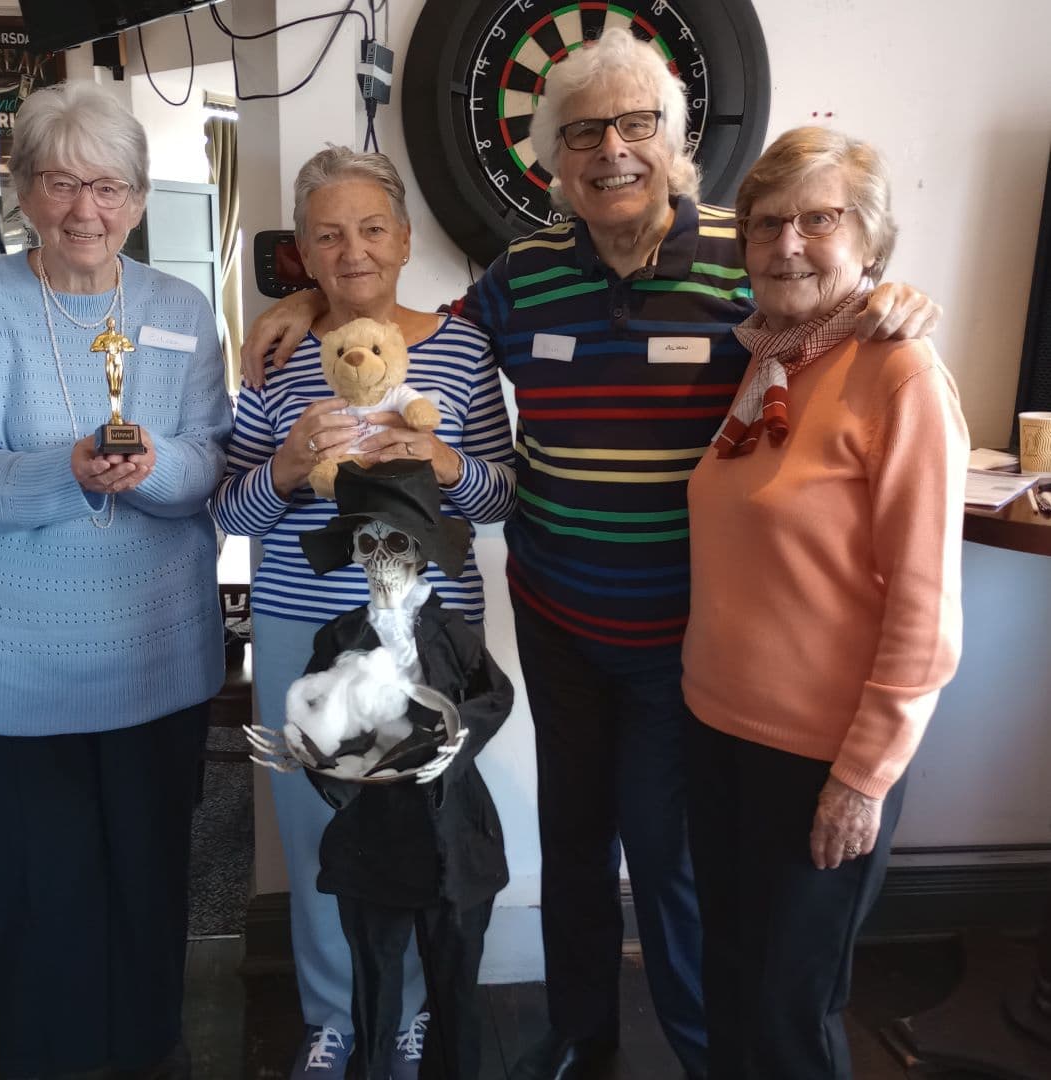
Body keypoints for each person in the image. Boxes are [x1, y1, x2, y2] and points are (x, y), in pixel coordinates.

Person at [239, 30, 939, 1080]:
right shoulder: (520, 277)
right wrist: (305, 301)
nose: (610, 149)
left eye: (634, 125)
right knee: (570, 849)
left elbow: (822, 309)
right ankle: (578, 1036)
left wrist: (890, 300)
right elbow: (409, 329)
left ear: (674, 141)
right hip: (562, 619)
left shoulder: (741, 257)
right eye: (581, 134)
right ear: (553, 160)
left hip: (685, 635)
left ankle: (699, 1050)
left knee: (666, 860)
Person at [0, 82, 230, 1080]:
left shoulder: (181, 307)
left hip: (153, 653)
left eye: (105, 187)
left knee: (148, 881)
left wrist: (154, 468)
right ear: (21, 191)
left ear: (138, 199)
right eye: (58, 184)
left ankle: (148, 1051)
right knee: (33, 889)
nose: (82, 211)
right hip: (13, 662)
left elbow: (208, 462)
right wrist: (67, 470)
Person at [211, 146, 515, 1079]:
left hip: (426, 643)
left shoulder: (462, 349)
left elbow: (505, 496)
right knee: (322, 835)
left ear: (406, 239)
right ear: (301, 251)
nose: (353, 252)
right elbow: (229, 512)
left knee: (424, 829)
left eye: (372, 229)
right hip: (308, 641)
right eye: (329, 235)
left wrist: (450, 467)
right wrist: (290, 467)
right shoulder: (276, 354)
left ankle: (412, 1012)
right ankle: (336, 1016)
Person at [681, 126, 967, 1080]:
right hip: (716, 731)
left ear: (869, 241)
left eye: (819, 219)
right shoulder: (769, 358)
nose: (788, 243)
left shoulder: (902, 373)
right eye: (766, 225)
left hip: (818, 758)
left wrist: (863, 779)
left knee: (789, 1013)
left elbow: (925, 613)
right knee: (726, 979)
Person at [250, 459, 515, 1079]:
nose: (379, 557)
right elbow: (329, 728)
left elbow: (493, 696)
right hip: (373, 843)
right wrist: (306, 752)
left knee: (455, 991)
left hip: (453, 840)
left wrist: (460, 736)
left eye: (395, 540)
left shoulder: (452, 635)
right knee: (372, 984)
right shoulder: (338, 638)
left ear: (421, 548)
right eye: (366, 542)